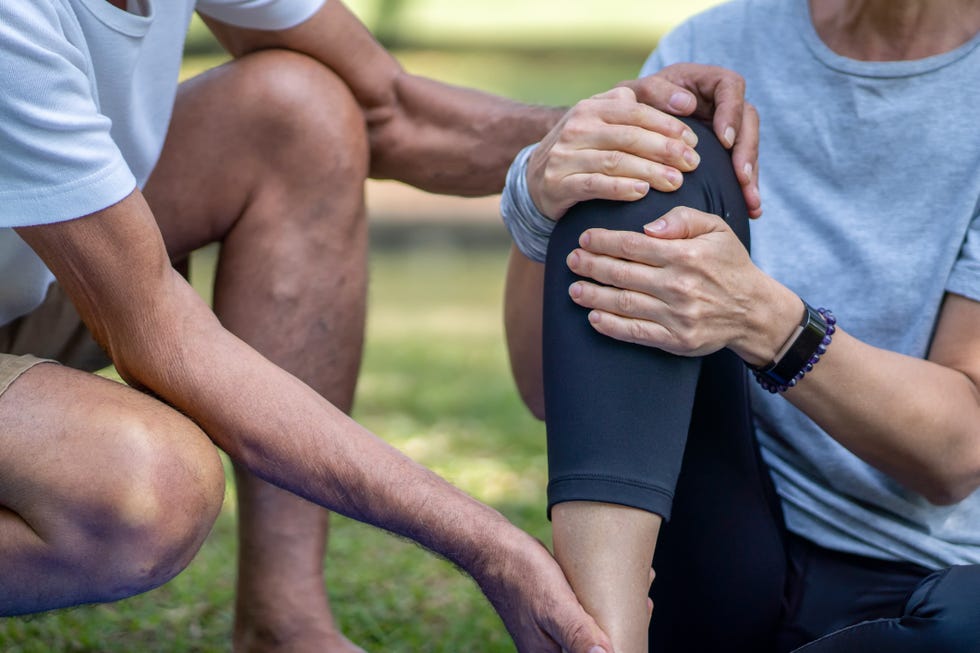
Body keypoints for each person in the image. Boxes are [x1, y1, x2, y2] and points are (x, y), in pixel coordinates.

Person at [0, 0, 759, 650]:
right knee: (146, 486)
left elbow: (388, 108)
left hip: (34, 284)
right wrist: (492, 546)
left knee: (299, 109)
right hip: (110, 292)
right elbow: (161, 331)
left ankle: (285, 621)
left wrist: (591, 129)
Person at [501, 0, 980, 651]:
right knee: (652, 149)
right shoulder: (714, 44)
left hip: (933, 576)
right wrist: (539, 199)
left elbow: (958, 455)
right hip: (716, 542)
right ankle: (603, 640)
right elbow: (544, 390)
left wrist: (766, 320)